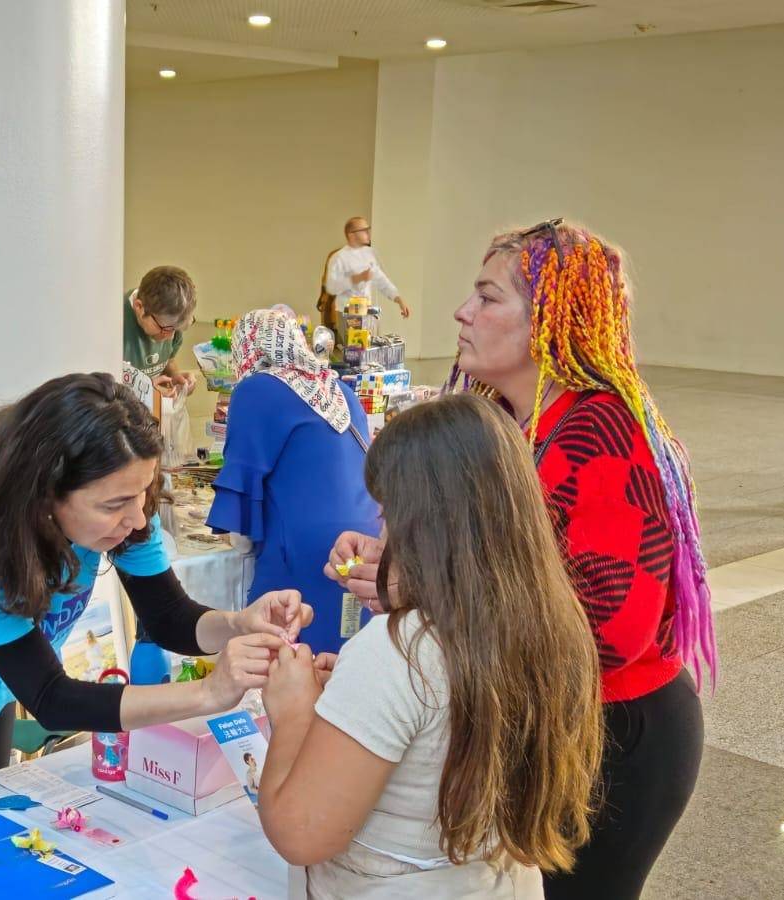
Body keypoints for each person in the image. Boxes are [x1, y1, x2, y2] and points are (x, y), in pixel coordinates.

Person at [328, 219, 713, 900]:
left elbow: (608, 631)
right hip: (537, 722)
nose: (461, 312)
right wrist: (392, 554)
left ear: (551, 321)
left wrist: (423, 592)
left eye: (488, 297)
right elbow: (480, 554)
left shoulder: (605, 432)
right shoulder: (500, 417)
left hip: (612, 737)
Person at [0, 373, 308, 801]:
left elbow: (169, 618)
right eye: (114, 505)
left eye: (141, 494)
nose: (137, 518)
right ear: (44, 496)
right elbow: (51, 697)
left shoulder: (128, 497)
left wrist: (237, 623)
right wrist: (208, 693)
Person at [259, 394, 603, 898]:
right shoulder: (553, 621)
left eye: (388, 509)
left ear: (426, 520)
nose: (378, 521)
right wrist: (357, 705)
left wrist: (293, 713)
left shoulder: (398, 651)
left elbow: (299, 834)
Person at [206, 308, 380, 654]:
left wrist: (239, 536)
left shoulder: (256, 390)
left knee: (283, 645)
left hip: (300, 544)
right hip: (363, 540)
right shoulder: (337, 387)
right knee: (344, 647)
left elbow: (243, 470)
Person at [124, 265, 199, 396]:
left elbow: (168, 360)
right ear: (139, 308)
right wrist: (145, 392)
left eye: (176, 329)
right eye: (165, 329)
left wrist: (175, 376)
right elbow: (101, 389)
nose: (170, 337)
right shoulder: (114, 326)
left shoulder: (171, 321)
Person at [324, 217, 410, 319]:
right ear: (351, 235)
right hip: (346, 316)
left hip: (366, 315)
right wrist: (356, 278)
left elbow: (382, 281)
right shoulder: (339, 257)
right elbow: (331, 287)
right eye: (364, 231)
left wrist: (399, 300)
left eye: (368, 229)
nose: (368, 233)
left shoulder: (369, 254)